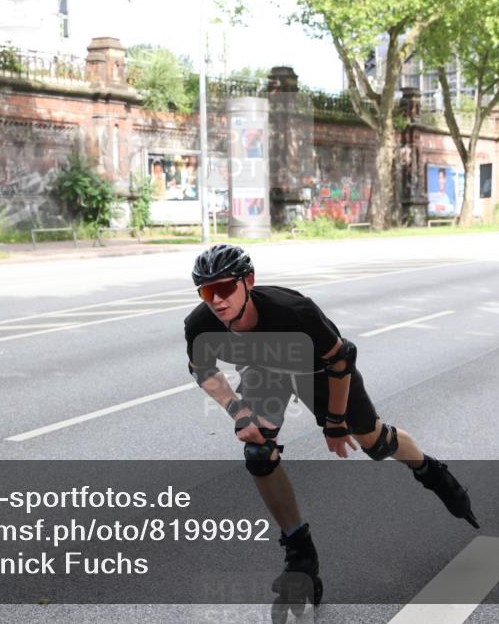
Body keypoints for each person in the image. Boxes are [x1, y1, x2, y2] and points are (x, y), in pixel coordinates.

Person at [183, 244, 478, 609]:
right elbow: (204, 370)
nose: (217, 300)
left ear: (249, 282)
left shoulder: (294, 311)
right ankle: (299, 551)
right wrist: (238, 413)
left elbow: (341, 361)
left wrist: (336, 423)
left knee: (373, 443)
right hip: (265, 371)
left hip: (320, 372)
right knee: (258, 452)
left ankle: (430, 471)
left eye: (226, 288)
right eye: (207, 292)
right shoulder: (200, 324)